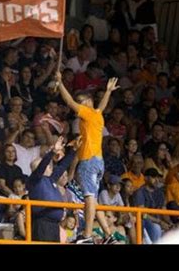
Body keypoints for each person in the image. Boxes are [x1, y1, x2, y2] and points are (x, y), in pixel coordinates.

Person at [55, 71, 120, 244]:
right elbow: (102, 107)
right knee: (93, 200)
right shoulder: (97, 116)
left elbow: (68, 101)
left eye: (80, 104)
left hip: (90, 162)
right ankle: (108, 235)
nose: (76, 108)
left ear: (87, 103)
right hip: (98, 162)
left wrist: (60, 82)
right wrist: (107, 92)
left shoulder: (89, 113)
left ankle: (87, 236)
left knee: (89, 197)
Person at [28, 136, 79, 242]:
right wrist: (52, 152)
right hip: (42, 224)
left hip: (54, 225)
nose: (50, 166)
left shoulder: (50, 179)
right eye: (47, 165)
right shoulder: (34, 180)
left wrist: (73, 150)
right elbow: (41, 167)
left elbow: (62, 166)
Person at [133, 168, 173, 243]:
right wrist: (160, 222)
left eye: (157, 177)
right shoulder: (140, 192)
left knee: (175, 229)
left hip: (159, 221)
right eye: (153, 177)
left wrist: (170, 223)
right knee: (156, 227)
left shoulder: (160, 192)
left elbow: (163, 210)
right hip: (147, 222)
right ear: (146, 178)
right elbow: (143, 214)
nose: (156, 180)